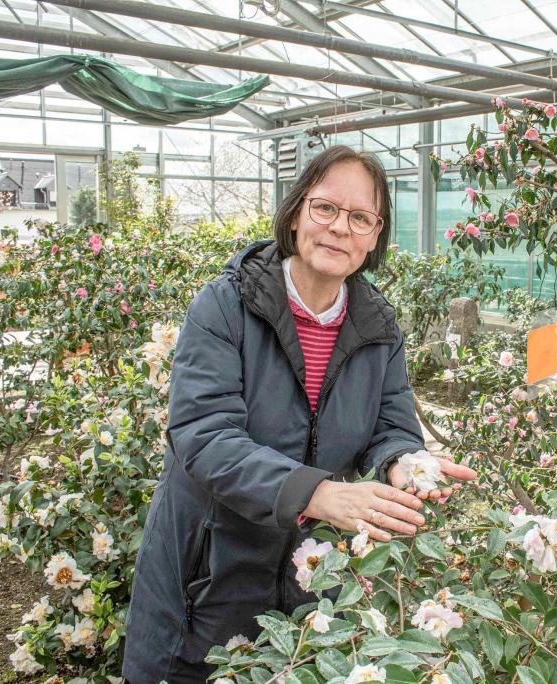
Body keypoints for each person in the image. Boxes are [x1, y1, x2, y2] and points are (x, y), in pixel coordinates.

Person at [122, 145, 476, 684]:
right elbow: (204, 435)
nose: (340, 228)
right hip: (210, 574)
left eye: (361, 218)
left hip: (308, 576)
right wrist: (319, 494)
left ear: (375, 237)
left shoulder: (377, 327)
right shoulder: (225, 307)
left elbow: (391, 425)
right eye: (325, 208)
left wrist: (405, 461)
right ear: (295, 213)